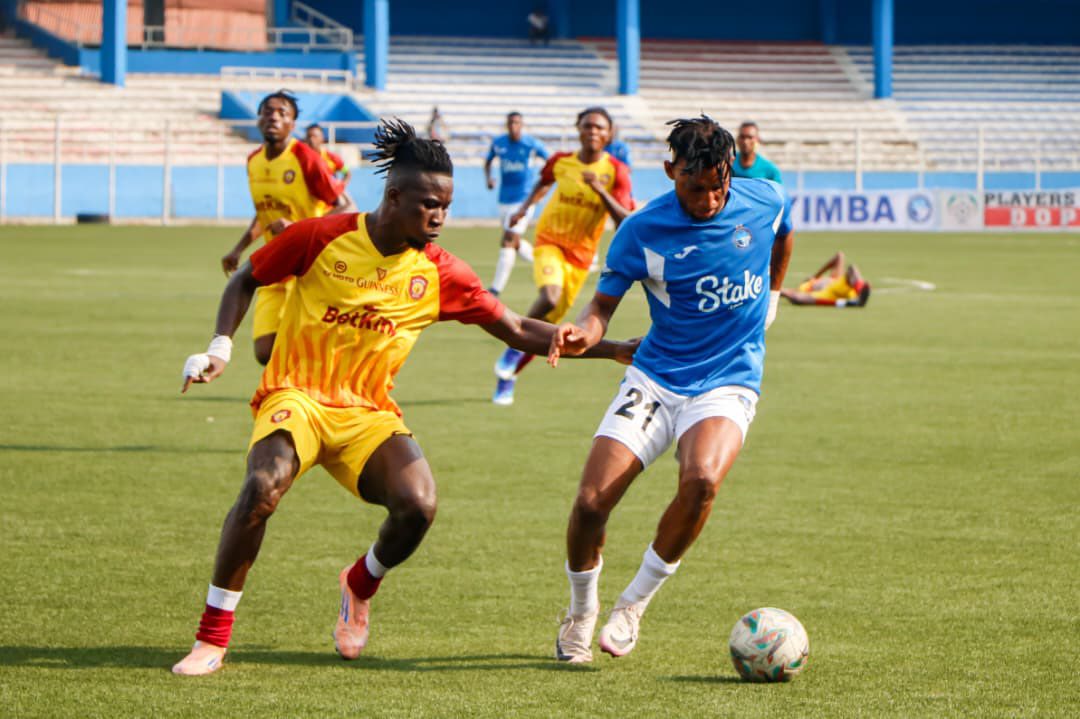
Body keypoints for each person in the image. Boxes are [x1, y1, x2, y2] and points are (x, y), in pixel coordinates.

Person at [172, 119, 637, 677]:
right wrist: (219, 348)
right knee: (263, 485)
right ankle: (211, 639)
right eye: (428, 205)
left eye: (446, 206)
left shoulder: (440, 272)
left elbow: (516, 327)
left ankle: (359, 582)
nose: (439, 218)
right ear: (393, 197)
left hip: (366, 412)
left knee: (418, 506)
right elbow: (244, 279)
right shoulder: (323, 236)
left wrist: (611, 349)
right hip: (296, 393)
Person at [545, 115, 795, 663]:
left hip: (728, 379)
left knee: (702, 479)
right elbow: (601, 309)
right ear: (669, 172)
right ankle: (581, 612)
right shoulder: (641, 229)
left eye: (717, 185)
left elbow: (784, 234)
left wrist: (772, 296)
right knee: (590, 504)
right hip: (656, 377)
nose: (708, 199)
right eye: (693, 186)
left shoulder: (767, 198)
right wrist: (583, 332)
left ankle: (632, 605)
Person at [491, 107, 633, 406]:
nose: (593, 131)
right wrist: (523, 209)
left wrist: (599, 189)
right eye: (587, 126)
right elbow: (543, 182)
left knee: (550, 332)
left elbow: (624, 220)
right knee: (550, 298)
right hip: (550, 241)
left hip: (580, 258)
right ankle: (514, 341)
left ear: (608, 135)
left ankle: (509, 377)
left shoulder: (616, 171)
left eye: (599, 128)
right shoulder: (561, 161)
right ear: (578, 129)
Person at [220, 91, 353, 366]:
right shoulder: (253, 161)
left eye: (283, 113)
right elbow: (264, 212)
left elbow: (345, 207)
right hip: (276, 263)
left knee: (302, 345)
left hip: (309, 267)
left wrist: (298, 228)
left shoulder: (305, 157)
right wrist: (238, 249)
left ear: (293, 124)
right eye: (268, 111)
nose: (274, 117)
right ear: (258, 119)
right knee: (264, 352)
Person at [485, 111, 550, 296]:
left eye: (517, 123)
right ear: (507, 125)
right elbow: (488, 161)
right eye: (511, 123)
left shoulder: (531, 144)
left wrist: (543, 184)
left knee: (507, 238)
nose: (514, 126)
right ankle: (544, 264)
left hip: (524, 199)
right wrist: (489, 178)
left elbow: (550, 161)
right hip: (504, 198)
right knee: (514, 241)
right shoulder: (499, 143)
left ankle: (495, 290)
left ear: (522, 125)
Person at [780, 251, 870, 307]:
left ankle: (859, 289)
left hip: (837, 285)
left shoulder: (812, 283)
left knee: (846, 262)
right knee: (798, 298)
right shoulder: (804, 289)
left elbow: (839, 257)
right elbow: (794, 296)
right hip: (828, 293)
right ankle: (858, 294)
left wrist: (815, 276)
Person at [304, 123, 352, 187]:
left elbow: (347, 173)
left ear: (322, 138)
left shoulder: (331, 157)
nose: (311, 139)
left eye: (315, 136)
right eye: (309, 136)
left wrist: (340, 187)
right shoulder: (302, 158)